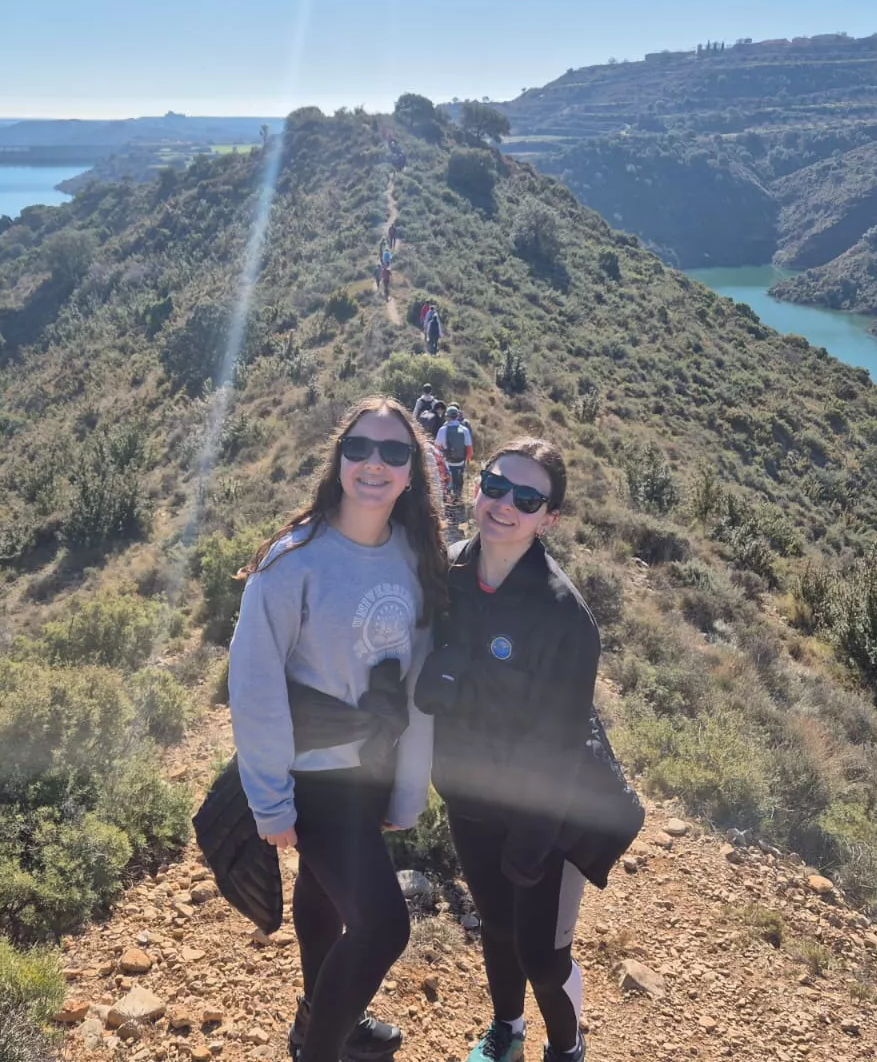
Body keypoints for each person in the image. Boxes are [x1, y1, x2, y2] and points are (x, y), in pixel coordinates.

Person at [227, 397, 450, 1062]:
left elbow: (415, 684)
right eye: (359, 448)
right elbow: (255, 687)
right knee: (384, 929)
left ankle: (321, 1021)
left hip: (373, 765)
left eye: (393, 452)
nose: (374, 463)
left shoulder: (414, 554)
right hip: (312, 775)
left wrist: (407, 787)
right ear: (339, 460)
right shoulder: (293, 561)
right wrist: (270, 801)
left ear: (412, 472)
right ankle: (319, 1051)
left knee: (322, 891)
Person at [416, 439, 601, 1062]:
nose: (505, 505)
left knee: (542, 956)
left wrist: (532, 839)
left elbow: (564, 741)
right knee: (496, 926)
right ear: (478, 488)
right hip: (468, 796)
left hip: (543, 815)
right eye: (495, 486)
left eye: (526, 498)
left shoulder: (563, 614)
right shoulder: (447, 576)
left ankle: (567, 1046)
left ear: (549, 518)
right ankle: (507, 1031)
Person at [437, 406, 472, 502]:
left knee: (446, 481)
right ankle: (458, 498)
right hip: (460, 462)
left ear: (447, 417)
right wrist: (467, 462)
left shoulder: (442, 430)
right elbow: (469, 450)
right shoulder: (465, 430)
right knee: (458, 481)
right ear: (457, 416)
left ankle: (447, 500)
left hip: (447, 462)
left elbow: (437, 448)